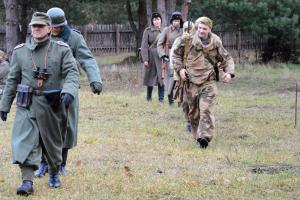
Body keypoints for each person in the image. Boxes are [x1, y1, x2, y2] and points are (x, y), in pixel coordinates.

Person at [0, 12, 79, 195]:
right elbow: (12, 80)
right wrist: (4, 106)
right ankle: (27, 182)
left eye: (40, 26)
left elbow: (72, 73)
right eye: (34, 26)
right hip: (26, 104)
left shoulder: (61, 49)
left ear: (49, 29)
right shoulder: (20, 52)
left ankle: (53, 172)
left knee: (53, 144)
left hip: (52, 105)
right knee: (25, 142)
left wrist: (68, 91)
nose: (36, 29)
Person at [34, 7, 102, 177]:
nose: (55, 30)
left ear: (63, 25)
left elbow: (87, 59)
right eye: (52, 26)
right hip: (46, 89)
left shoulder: (74, 38)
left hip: (67, 89)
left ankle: (61, 164)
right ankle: (43, 163)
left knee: (66, 127)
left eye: (58, 27)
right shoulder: (42, 37)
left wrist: (95, 80)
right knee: (43, 126)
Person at [172, 16, 235, 148]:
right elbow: (176, 55)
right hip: (191, 82)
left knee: (206, 110)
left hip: (208, 81)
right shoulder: (187, 40)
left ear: (209, 29)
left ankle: (205, 138)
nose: (201, 31)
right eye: (199, 28)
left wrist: (229, 73)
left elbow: (227, 58)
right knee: (194, 114)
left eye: (204, 28)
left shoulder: (216, 42)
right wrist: (180, 70)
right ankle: (198, 136)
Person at [170, 21, 194, 132]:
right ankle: (188, 121)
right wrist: (178, 72)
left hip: (196, 75)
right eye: (186, 29)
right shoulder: (179, 41)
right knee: (184, 101)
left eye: (190, 30)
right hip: (182, 75)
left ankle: (196, 120)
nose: (188, 32)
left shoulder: (198, 42)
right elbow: (173, 57)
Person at [157, 11, 183, 105]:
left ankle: (181, 99)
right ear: (172, 21)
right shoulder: (166, 30)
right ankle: (170, 96)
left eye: (178, 20)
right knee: (170, 78)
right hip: (169, 56)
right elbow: (159, 44)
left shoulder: (183, 30)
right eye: (175, 20)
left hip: (181, 56)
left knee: (181, 78)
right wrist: (163, 55)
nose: (177, 22)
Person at [140, 12, 164, 102]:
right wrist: (145, 59)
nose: (156, 21)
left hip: (161, 57)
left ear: (161, 20)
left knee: (161, 77)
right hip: (151, 57)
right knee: (150, 77)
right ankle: (148, 98)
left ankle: (161, 99)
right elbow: (144, 46)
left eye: (158, 19)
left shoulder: (165, 31)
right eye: (154, 20)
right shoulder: (148, 31)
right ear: (152, 21)